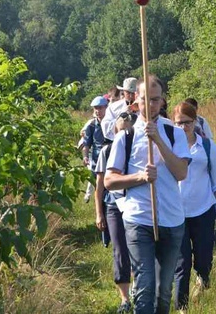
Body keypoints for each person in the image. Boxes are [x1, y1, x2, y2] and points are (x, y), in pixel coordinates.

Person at [105, 75, 191, 314]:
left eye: (155, 100)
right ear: (136, 101)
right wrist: (140, 178)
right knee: (145, 288)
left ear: (162, 101)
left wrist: (159, 141)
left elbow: (181, 172)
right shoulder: (126, 136)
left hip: (172, 221)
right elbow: (110, 181)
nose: (150, 104)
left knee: (163, 293)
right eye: (145, 99)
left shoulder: (175, 134)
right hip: (138, 219)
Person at [171, 101, 216, 311]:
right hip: (176, 214)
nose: (182, 128)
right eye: (178, 123)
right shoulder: (168, 148)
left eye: (186, 123)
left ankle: (203, 278)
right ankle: (181, 308)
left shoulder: (208, 147)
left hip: (204, 210)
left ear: (195, 122)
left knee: (204, 259)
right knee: (182, 264)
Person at [94, 114, 136, 314]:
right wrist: (99, 213)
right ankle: (125, 299)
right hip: (113, 206)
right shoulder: (106, 151)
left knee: (137, 247)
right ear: (114, 132)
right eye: (120, 130)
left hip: (135, 204)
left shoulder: (139, 150)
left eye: (128, 130)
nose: (124, 134)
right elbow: (100, 187)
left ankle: (139, 289)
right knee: (120, 249)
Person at [81, 96, 108, 202]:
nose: (98, 111)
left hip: (109, 157)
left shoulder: (112, 123)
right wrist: (85, 157)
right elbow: (87, 143)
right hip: (96, 159)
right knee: (97, 186)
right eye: (96, 108)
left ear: (106, 108)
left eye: (100, 108)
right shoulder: (92, 125)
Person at [102, 77, 139, 143]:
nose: (130, 96)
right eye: (128, 92)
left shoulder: (145, 107)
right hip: (119, 142)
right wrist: (123, 115)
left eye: (133, 93)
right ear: (123, 92)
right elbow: (105, 127)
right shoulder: (113, 107)